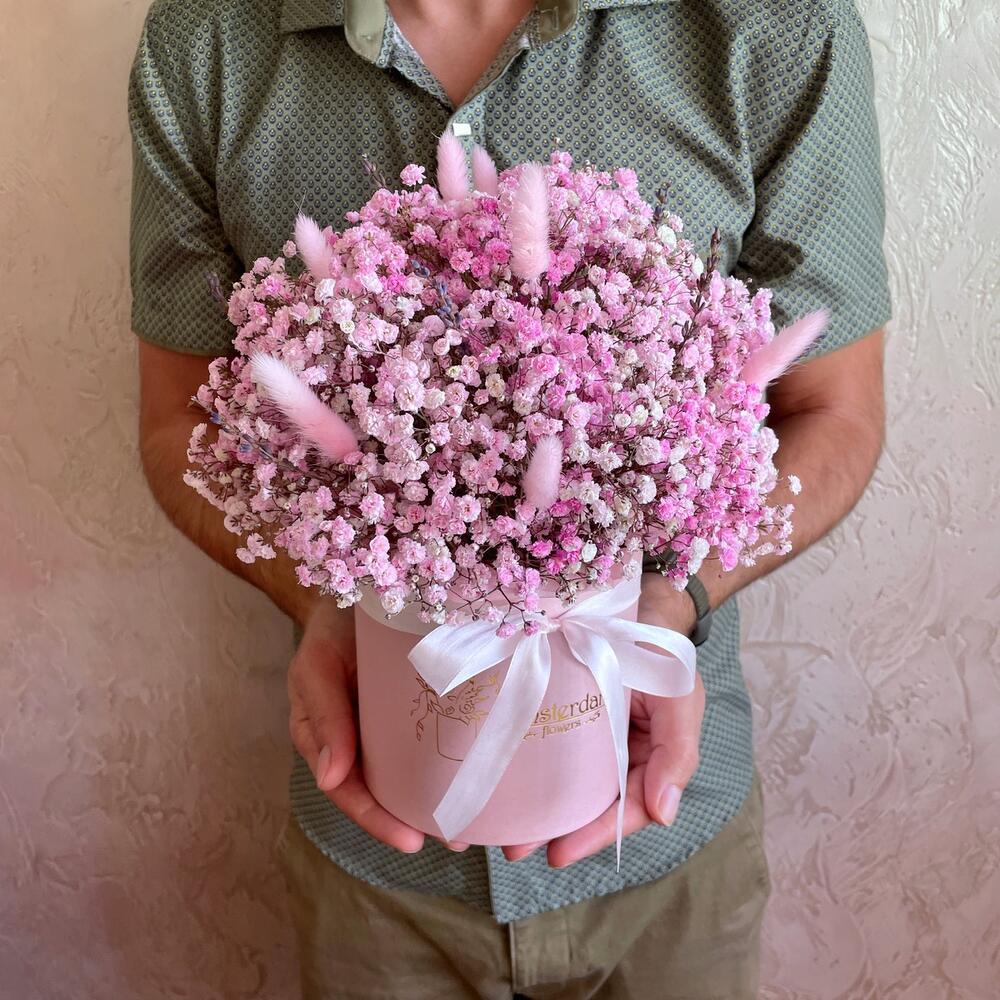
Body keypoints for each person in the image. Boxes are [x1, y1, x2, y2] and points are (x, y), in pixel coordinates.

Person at [128, 0, 891, 996]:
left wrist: (663, 606)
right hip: (377, 856)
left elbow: (833, 410)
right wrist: (326, 600)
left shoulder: (778, 29)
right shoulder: (205, 40)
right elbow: (180, 425)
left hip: (662, 837)